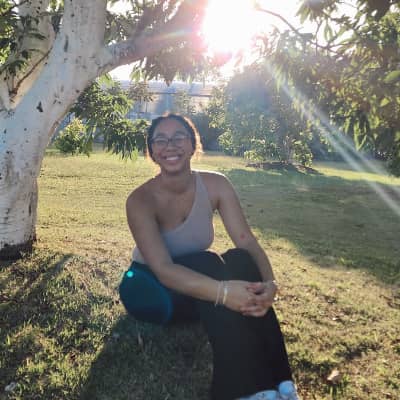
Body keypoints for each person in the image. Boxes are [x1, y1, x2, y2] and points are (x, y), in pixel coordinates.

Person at [119, 113, 299, 400]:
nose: (170, 145)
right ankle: (242, 391)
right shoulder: (140, 200)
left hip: (196, 279)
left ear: (193, 145)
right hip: (149, 287)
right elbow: (163, 269)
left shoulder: (216, 185)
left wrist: (269, 283)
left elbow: (246, 241)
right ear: (152, 151)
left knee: (240, 259)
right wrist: (223, 292)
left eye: (179, 137)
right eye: (160, 140)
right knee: (208, 263)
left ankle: (283, 383)